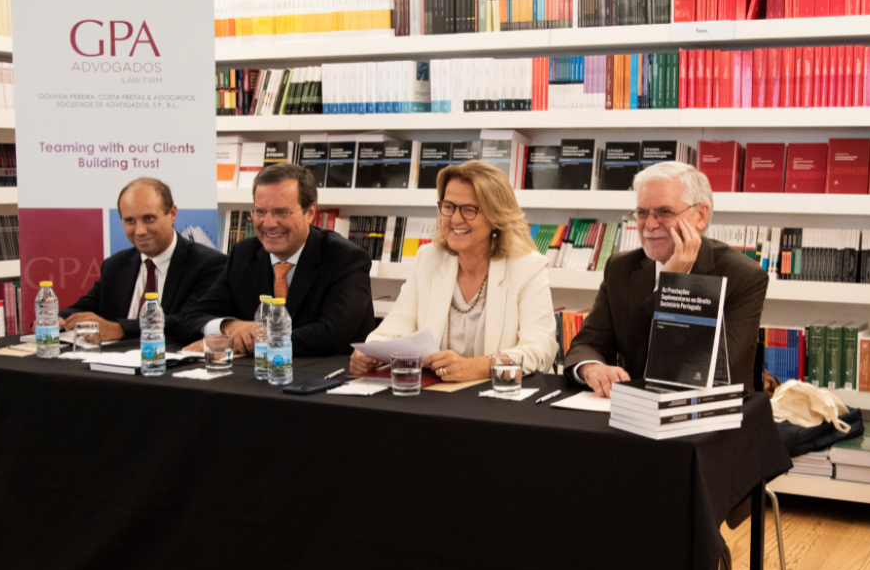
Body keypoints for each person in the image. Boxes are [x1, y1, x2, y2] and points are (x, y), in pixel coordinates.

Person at [564, 161, 768, 397]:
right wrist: (591, 368)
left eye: (665, 212)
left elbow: (701, 371)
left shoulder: (743, 277)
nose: (649, 225)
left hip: (709, 418)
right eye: (642, 213)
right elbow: (587, 344)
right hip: (633, 416)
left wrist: (673, 281)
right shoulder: (621, 268)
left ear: (700, 216)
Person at [349, 161, 557, 381]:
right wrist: (370, 351)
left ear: (496, 217)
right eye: (449, 207)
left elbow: (539, 349)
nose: (455, 219)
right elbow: (396, 325)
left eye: (469, 210)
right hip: (437, 397)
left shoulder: (528, 266)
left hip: (501, 399)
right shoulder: (428, 258)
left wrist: (475, 367)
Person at [179, 162, 374, 356]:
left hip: (324, 379)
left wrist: (247, 341)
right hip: (253, 379)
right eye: (260, 212)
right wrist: (232, 328)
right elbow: (191, 319)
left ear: (310, 213)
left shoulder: (345, 259)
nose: (269, 223)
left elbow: (332, 336)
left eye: (281, 212)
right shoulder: (243, 255)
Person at [60, 177, 227, 341]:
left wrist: (120, 329)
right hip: (112, 364)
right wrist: (57, 319)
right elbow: (86, 307)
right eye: (130, 221)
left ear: (172, 213)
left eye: (149, 219)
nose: (139, 231)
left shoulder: (209, 264)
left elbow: (189, 321)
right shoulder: (115, 265)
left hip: (169, 362)